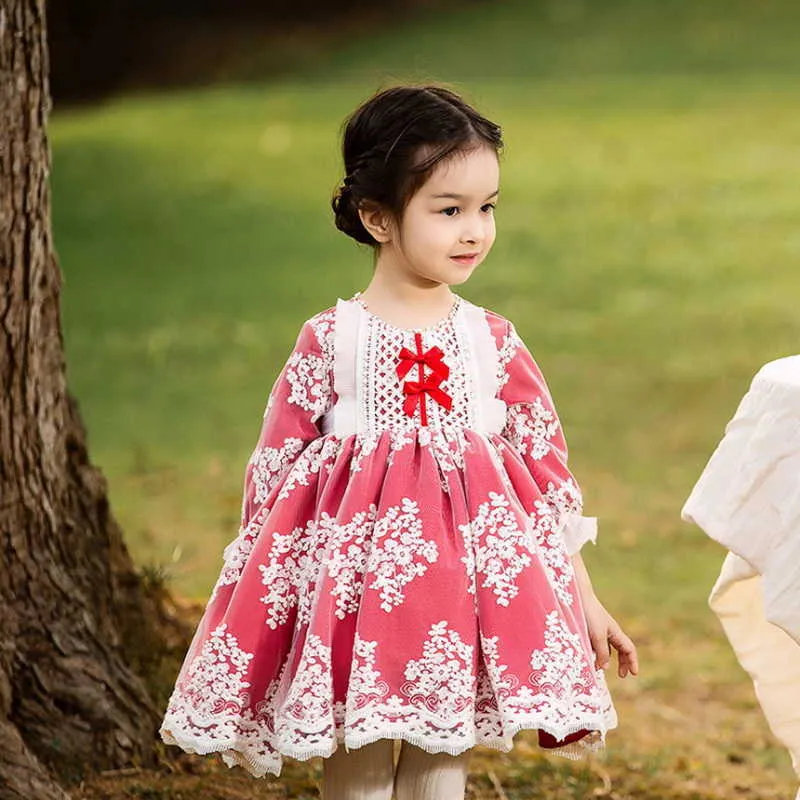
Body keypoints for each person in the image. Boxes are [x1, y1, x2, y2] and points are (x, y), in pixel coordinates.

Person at [159, 83, 638, 800]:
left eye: (487, 208)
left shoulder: (491, 342)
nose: (474, 230)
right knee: (357, 756)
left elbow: (542, 481)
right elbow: (275, 468)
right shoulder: (333, 339)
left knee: (439, 765)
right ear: (377, 217)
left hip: (462, 598)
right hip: (353, 602)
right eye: (449, 211)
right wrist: (267, 593)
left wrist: (584, 598)